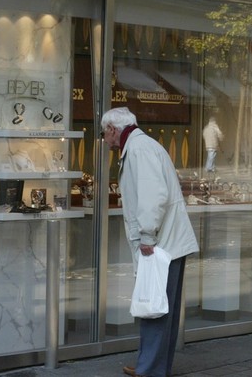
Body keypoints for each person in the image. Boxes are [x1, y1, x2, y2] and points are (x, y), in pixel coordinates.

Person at [100, 107, 199, 377]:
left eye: (103, 134)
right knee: (160, 307)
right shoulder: (141, 146)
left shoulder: (139, 149)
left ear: (112, 129)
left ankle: (150, 368)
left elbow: (152, 195)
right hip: (167, 241)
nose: (104, 140)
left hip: (161, 243)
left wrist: (147, 235)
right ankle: (152, 365)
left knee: (155, 307)